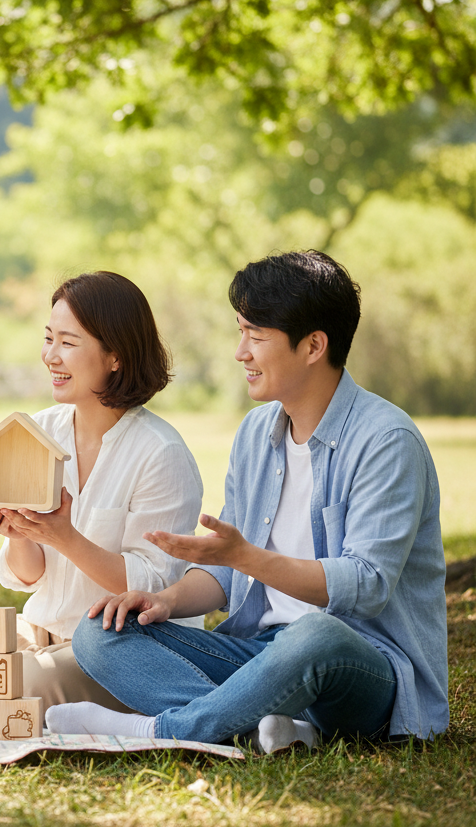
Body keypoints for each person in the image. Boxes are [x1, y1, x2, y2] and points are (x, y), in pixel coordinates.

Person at [50, 251, 448, 752]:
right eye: (241, 332)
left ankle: (168, 730)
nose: (241, 352)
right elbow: (227, 571)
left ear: (313, 346)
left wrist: (245, 557)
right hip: (261, 657)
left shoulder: (386, 440)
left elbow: (366, 584)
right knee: (99, 632)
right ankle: (267, 727)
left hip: (359, 663)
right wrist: (165, 601)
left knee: (314, 635)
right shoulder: (258, 433)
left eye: (255, 336)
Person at [0, 271, 204, 712]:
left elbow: (152, 588)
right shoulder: (40, 431)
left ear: (116, 356)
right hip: (39, 634)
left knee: (16, 681)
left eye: (67, 342)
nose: (50, 356)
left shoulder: (160, 453)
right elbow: (28, 577)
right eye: (48, 338)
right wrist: (20, 532)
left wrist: (64, 536)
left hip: (115, 649)